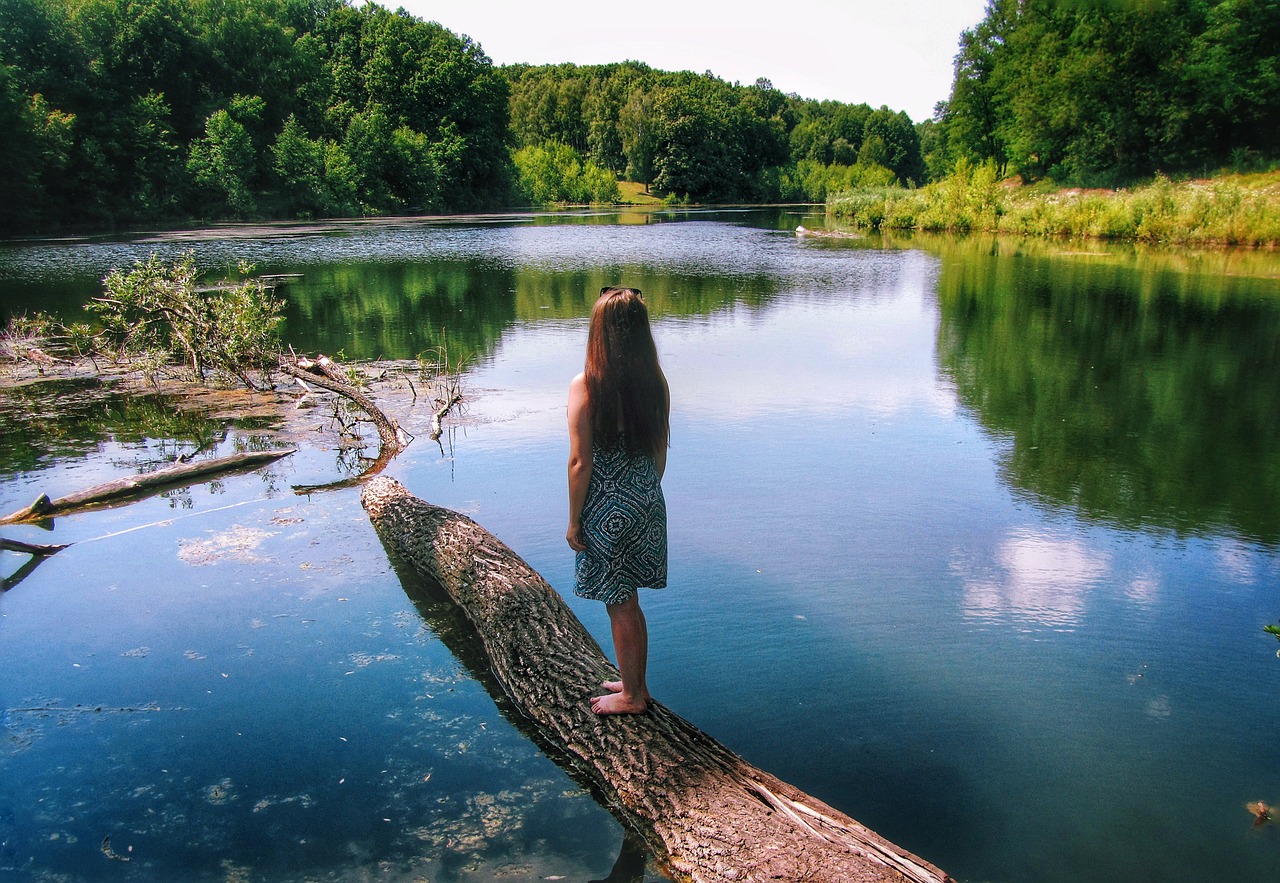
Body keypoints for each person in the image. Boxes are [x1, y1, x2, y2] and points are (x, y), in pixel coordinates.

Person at [567, 287, 670, 715]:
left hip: (608, 509)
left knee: (621, 603)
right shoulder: (656, 381)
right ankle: (636, 684)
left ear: (599, 333)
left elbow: (579, 463)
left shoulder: (586, 385)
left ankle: (631, 697)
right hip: (647, 499)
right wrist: (642, 493)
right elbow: (660, 451)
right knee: (631, 602)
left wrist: (574, 522)